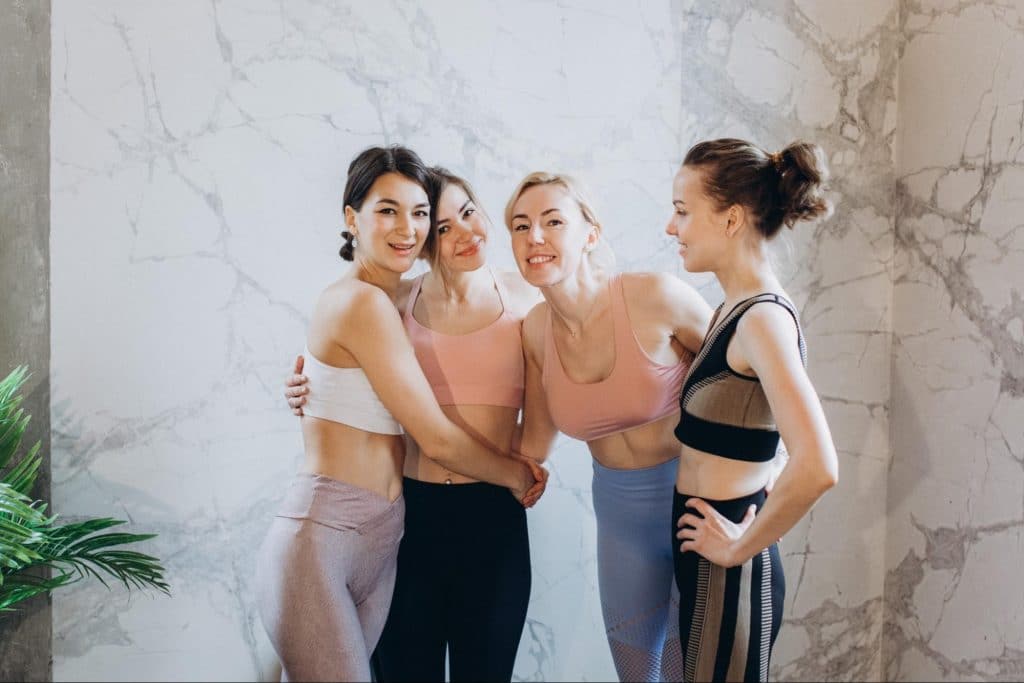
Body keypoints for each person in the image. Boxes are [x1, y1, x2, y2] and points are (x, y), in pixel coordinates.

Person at [255, 146, 545, 682]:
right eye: (436, 225)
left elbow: (563, 375)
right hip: (400, 518)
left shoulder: (522, 297)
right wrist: (519, 474)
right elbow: (428, 433)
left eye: (462, 212)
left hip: (426, 526)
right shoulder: (387, 302)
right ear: (353, 219)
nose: (457, 232)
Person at [506, 172, 712, 682]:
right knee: (639, 676)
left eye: (553, 221)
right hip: (622, 523)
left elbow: (752, 378)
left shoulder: (656, 297)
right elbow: (533, 441)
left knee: (694, 673)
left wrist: (768, 472)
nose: (535, 237)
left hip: (699, 506)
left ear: (590, 234)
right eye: (520, 225)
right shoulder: (534, 331)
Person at [667, 138, 839, 682]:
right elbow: (766, 432)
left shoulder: (762, 319)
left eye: (681, 211)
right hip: (709, 555)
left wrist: (744, 542)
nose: (671, 228)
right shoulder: (732, 308)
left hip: (729, 566)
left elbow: (818, 464)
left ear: (732, 218)